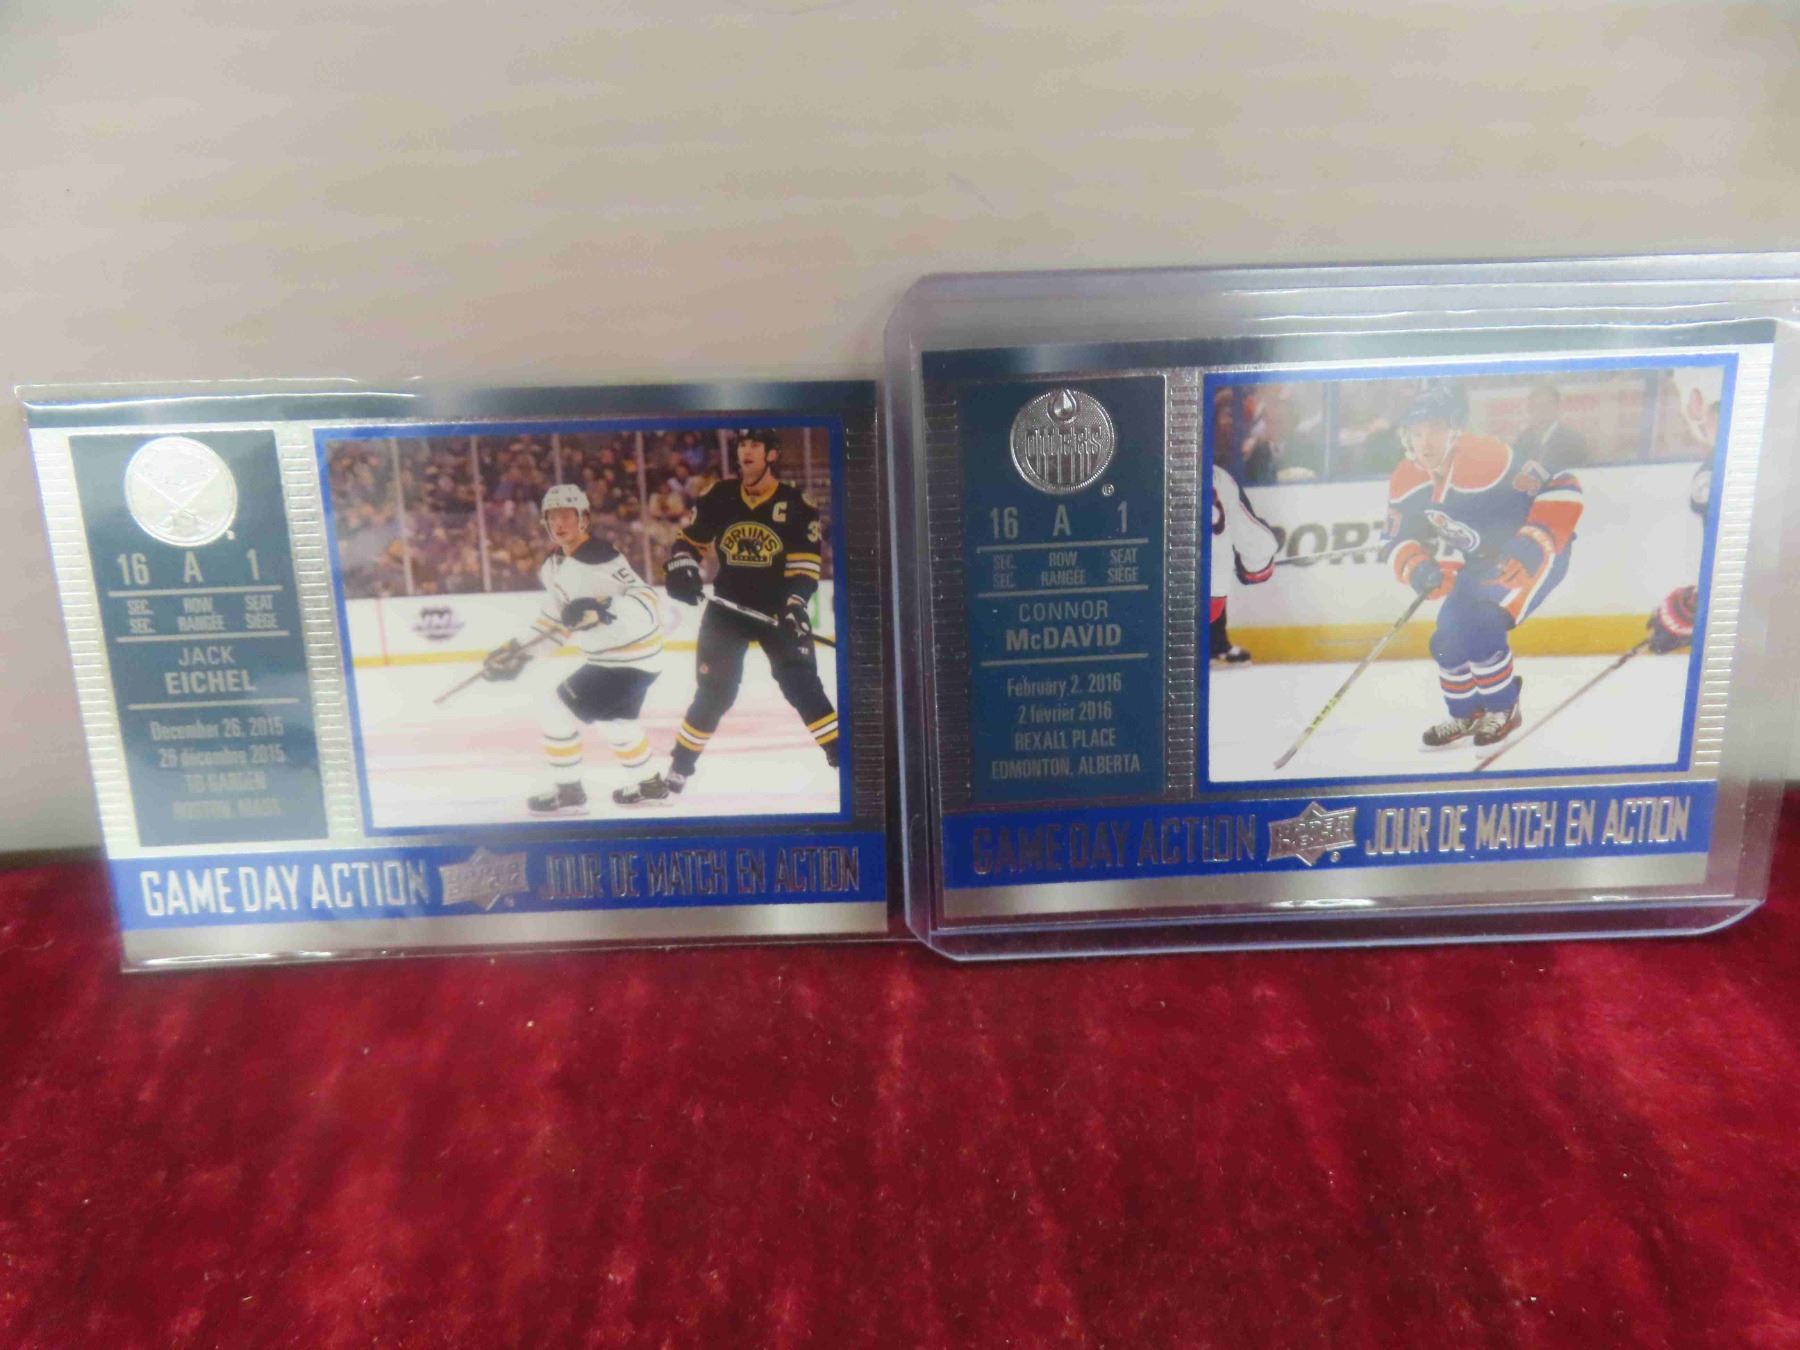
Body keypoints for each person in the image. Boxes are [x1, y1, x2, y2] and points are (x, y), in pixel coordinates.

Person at [615, 429, 838, 805]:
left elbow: (805, 566)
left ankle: (844, 759)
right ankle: (678, 770)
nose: (746, 451)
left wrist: (796, 604)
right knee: (714, 693)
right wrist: (683, 565)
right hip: (727, 610)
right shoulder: (720, 496)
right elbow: (690, 540)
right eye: (742, 445)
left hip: (777, 610)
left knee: (802, 686)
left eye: (755, 445)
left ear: (771, 455)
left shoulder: (796, 503)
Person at [1379, 383, 1583, 749]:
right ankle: (1467, 713)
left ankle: (1504, 708)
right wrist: (1419, 567)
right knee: (1445, 640)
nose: (1426, 442)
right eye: (1418, 432)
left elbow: (1561, 485)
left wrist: (1533, 541)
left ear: (1454, 430)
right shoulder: (1406, 478)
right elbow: (1397, 540)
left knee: (1483, 625)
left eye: (1436, 429)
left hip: (1532, 554)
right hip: (1480, 562)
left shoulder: (1489, 457)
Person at [479, 484, 665, 816]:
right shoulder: (552, 566)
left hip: (626, 661)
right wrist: (518, 651)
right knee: (617, 724)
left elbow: (647, 600)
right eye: (552, 517)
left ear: (584, 519)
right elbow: (555, 623)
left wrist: (603, 609)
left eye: (567, 516)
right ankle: (650, 783)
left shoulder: (601, 557)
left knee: (555, 708)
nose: (559, 523)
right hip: (621, 661)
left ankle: (569, 791)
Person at [1209, 462, 1278, 664]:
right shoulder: (1219, 476)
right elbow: (1256, 548)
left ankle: (1217, 646)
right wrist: (1255, 568)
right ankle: (1215, 646)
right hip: (1210, 602)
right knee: (1212, 570)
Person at [1512, 382, 1592, 468]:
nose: (1540, 411)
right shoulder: (1523, 439)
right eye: (1535, 406)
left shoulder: (1574, 441)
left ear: (1557, 407)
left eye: (1545, 405)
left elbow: (1580, 472)